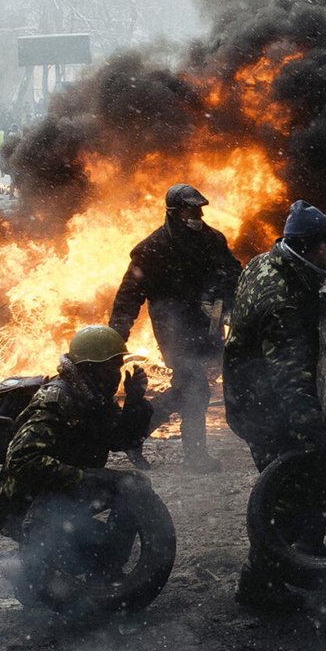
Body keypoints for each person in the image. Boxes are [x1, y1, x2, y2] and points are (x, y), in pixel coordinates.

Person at [222, 200, 326, 613]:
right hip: (265, 410)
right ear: (308, 247)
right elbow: (291, 381)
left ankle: (304, 556)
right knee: (286, 495)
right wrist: (317, 438)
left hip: (249, 399)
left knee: (307, 486)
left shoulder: (264, 263)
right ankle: (258, 584)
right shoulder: (284, 298)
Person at [108, 184, 241, 471]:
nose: (196, 214)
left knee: (185, 390)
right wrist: (117, 335)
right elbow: (129, 295)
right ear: (173, 212)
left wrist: (220, 296)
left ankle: (134, 435)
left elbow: (233, 273)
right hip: (175, 332)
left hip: (207, 327)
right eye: (190, 209)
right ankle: (195, 457)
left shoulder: (212, 239)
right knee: (195, 389)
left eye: (199, 209)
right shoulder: (152, 249)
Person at [0, 324, 155, 539]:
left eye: (118, 365)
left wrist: (134, 402)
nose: (117, 374)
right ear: (90, 367)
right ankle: (35, 553)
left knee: (135, 485)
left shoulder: (94, 397)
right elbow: (22, 459)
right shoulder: (57, 400)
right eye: (111, 366)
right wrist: (85, 477)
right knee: (84, 552)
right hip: (28, 505)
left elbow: (121, 441)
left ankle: (111, 558)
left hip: (63, 490)